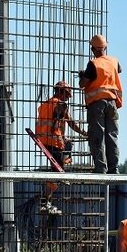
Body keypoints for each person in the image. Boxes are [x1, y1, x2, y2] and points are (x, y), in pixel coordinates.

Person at [35, 80, 87, 214]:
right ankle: (44, 201)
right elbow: (69, 123)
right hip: (54, 142)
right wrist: (84, 133)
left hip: (43, 140)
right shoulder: (60, 105)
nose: (67, 98)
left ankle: (46, 201)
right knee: (57, 173)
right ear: (60, 91)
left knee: (57, 170)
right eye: (66, 94)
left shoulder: (46, 104)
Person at [78, 34, 123, 174]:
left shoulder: (93, 64)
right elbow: (118, 70)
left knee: (97, 136)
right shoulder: (114, 61)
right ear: (105, 47)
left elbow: (82, 84)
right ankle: (113, 168)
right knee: (112, 136)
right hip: (112, 104)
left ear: (93, 49)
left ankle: (100, 168)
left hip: (97, 104)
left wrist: (83, 75)